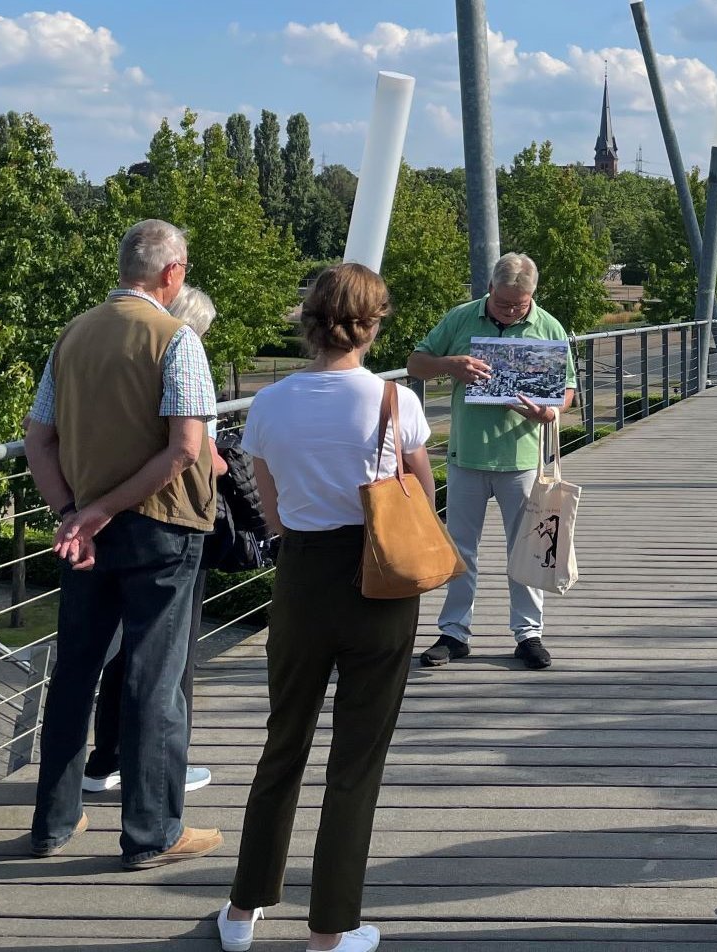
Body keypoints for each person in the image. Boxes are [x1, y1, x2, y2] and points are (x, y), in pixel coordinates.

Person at [217, 264, 430, 952]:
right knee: (356, 761)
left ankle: (243, 910)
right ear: (373, 324)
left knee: (284, 742)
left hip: (302, 575)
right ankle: (331, 930)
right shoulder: (395, 402)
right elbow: (421, 499)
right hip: (379, 581)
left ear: (309, 321)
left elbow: (271, 507)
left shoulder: (270, 403)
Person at [24, 219, 222, 870]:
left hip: (85, 532)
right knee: (153, 680)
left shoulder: (73, 335)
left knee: (76, 673)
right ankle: (152, 832)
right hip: (161, 529)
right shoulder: (176, 339)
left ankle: (52, 823)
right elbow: (186, 448)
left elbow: (38, 438)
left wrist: (74, 513)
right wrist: (105, 509)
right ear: (172, 272)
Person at [80, 284, 225, 797]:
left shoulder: (93, 345)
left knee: (114, 655)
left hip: (103, 515)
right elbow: (195, 452)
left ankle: (104, 760)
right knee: (166, 657)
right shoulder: (180, 351)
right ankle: (159, 781)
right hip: (169, 521)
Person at [405, 253, 577, 670]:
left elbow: (568, 391)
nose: (511, 311)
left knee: (529, 548)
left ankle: (528, 633)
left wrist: (549, 412)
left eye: (520, 304)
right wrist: (449, 365)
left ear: (533, 295)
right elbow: (415, 364)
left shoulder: (549, 327)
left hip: (522, 459)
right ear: (489, 290)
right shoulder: (460, 318)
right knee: (461, 548)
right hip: (466, 454)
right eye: (503, 303)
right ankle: (454, 632)